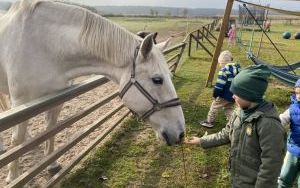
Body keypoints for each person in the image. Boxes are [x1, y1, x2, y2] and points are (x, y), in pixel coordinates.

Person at [186, 65, 286, 187]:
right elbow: (226, 134)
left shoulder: (268, 124)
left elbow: (271, 165)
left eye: (236, 94)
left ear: (249, 95)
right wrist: (201, 141)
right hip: (238, 179)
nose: (232, 96)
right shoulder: (239, 112)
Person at [200, 50, 240, 128]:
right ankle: (234, 123)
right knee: (228, 108)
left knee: (214, 106)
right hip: (234, 95)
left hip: (224, 95)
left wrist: (215, 94)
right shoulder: (237, 69)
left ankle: (209, 121)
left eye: (220, 63)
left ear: (221, 62)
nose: (220, 65)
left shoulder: (224, 71)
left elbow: (219, 86)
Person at [278, 79, 300, 188]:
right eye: (297, 93)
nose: (299, 96)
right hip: (293, 149)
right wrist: (272, 125)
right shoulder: (293, 109)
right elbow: (281, 119)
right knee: (284, 178)